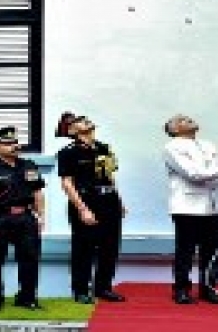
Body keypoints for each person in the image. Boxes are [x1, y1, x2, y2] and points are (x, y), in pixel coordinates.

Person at [162, 113, 218, 305]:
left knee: (212, 250)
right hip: (187, 207)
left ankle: (209, 288)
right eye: (181, 119)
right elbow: (194, 173)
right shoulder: (172, 147)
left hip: (213, 205)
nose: (188, 119)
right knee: (186, 250)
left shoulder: (208, 144)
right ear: (173, 130)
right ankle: (181, 290)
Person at [0, 126, 46, 313]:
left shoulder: (29, 165)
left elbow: (38, 192)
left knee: (30, 258)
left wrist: (40, 216)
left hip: (26, 218)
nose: (15, 145)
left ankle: (27, 298)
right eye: (8, 143)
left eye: (15, 142)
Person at [55, 111, 127, 304]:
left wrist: (119, 200)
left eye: (86, 120)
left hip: (108, 200)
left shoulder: (104, 148)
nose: (85, 121)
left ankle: (103, 287)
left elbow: (110, 176)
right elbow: (67, 184)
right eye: (79, 122)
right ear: (72, 130)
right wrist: (82, 209)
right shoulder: (68, 152)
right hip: (86, 200)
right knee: (83, 248)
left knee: (110, 247)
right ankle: (80, 290)